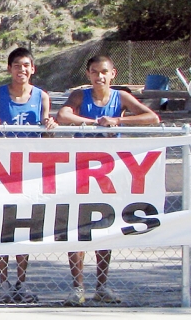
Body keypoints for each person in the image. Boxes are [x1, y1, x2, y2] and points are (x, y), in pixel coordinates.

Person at [56, 55, 160, 306]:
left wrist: (118, 120)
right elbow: (63, 115)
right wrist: (93, 123)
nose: (99, 77)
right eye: (94, 72)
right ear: (88, 74)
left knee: (107, 227)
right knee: (78, 228)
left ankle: (101, 285)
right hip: (81, 171)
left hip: (111, 173)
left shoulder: (120, 97)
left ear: (113, 74)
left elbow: (152, 118)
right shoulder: (81, 96)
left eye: (103, 72)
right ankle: (77, 287)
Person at [0, 47, 57, 303]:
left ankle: (21, 282)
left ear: (33, 69)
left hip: (30, 171)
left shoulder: (41, 96)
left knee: (24, 227)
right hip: (3, 169)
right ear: (9, 69)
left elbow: (47, 136)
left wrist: (50, 126)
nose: (22, 70)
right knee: (3, 226)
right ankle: (3, 283)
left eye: (26, 65)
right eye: (17, 65)